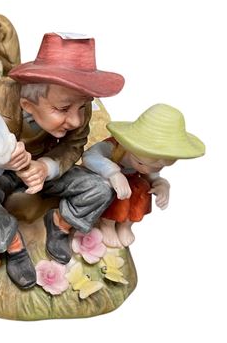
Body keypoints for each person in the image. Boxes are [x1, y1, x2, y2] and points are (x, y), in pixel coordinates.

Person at [0, 33, 125, 289]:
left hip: (45, 171)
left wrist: (47, 167)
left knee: (100, 188)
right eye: (63, 109)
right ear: (27, 104)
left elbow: (74, 145)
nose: (76, 119)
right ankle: (13, 245)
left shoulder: (78, 101)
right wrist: (0, 161)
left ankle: (60, 224)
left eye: (82, 107)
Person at [82, 103, 205, 247]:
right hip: (106, 181)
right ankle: (107, 225)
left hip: (132, 183)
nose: (147, 170)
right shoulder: (114, 147)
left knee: (142, 188)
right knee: (115, 191)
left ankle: (126, 225)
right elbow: (89, 157)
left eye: (158, 167)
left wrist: (161, 185)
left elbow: (152, 177)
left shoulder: (149, 166)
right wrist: (113, 173)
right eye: (140, 163)